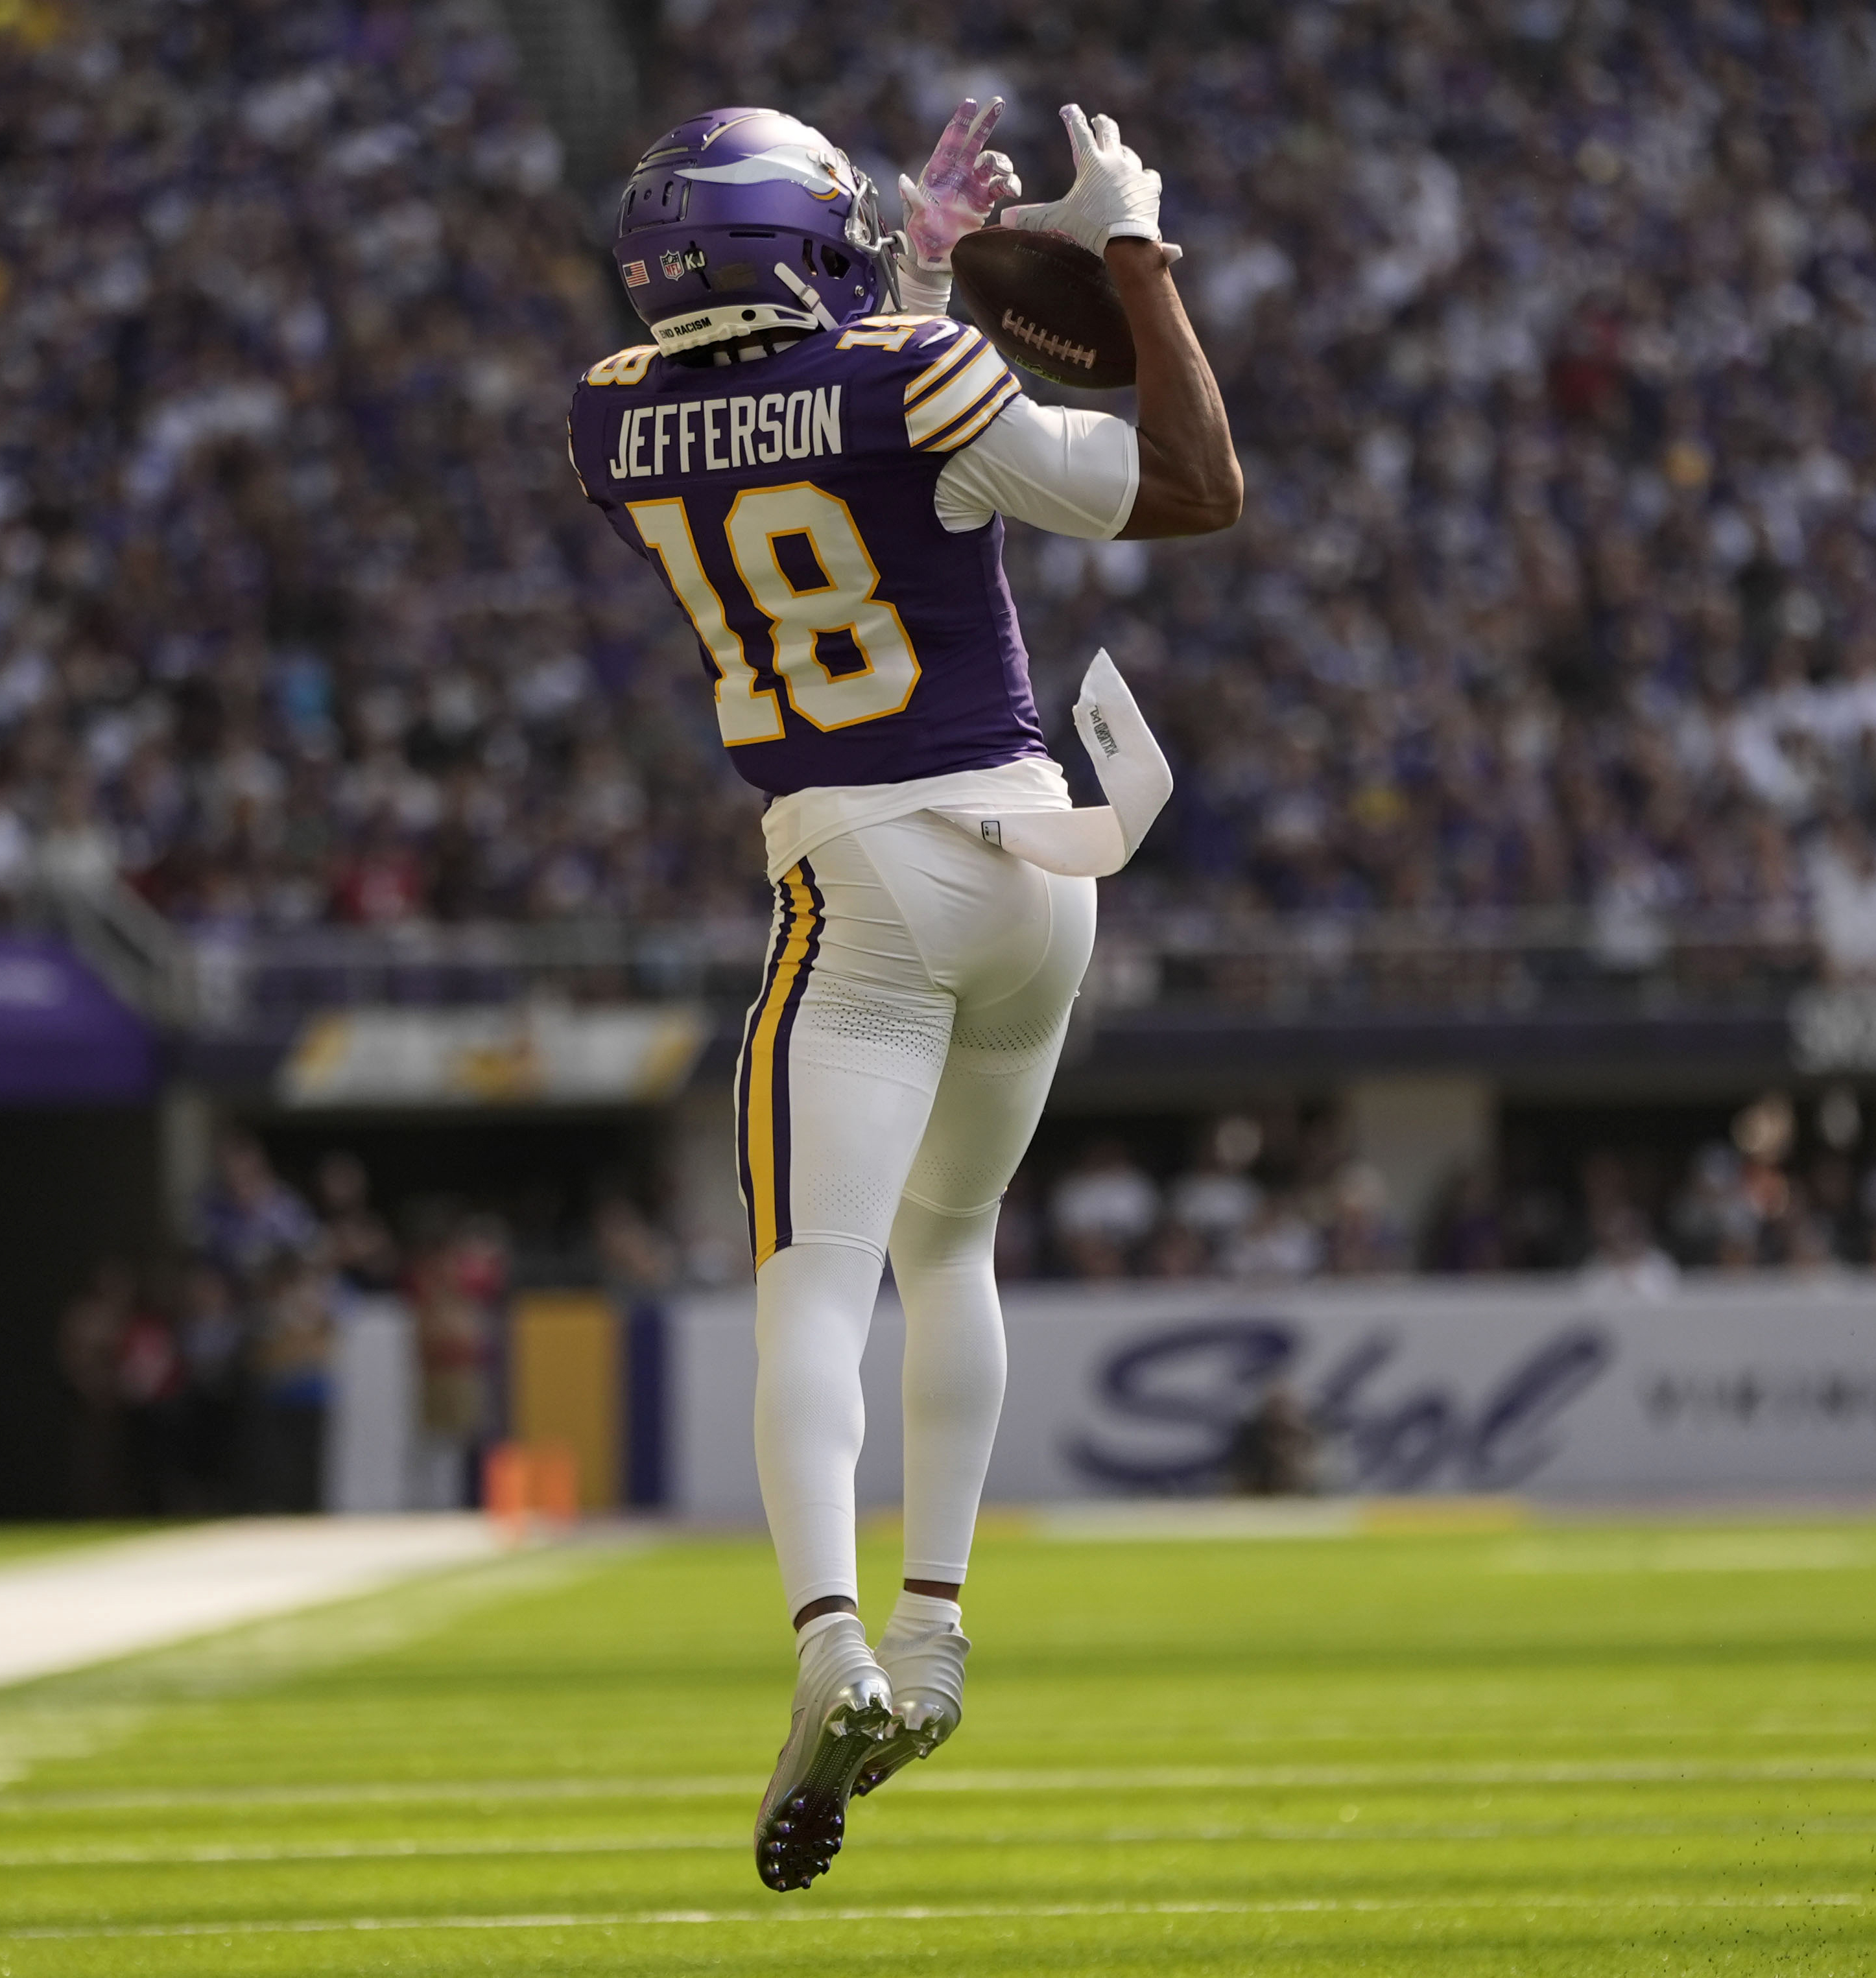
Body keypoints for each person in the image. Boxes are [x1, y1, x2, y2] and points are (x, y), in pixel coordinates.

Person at [570, 99, 1238, 1892]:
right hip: (1036, 858)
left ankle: (835, 1648)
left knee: (813, 1277)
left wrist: (926, 265)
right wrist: (1133, 252)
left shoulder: (612, 417)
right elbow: (1192, 486)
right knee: (952, 1255)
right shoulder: (916, 369)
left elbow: (806, 409)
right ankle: (932, 1640)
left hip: (856, 876)